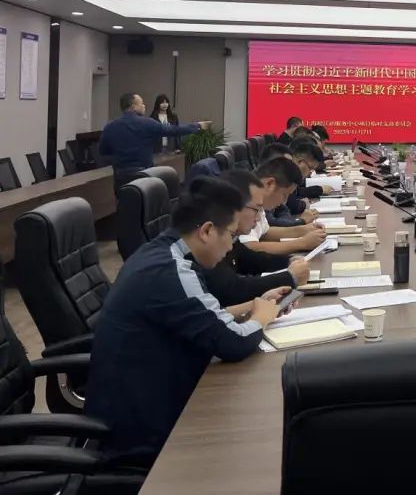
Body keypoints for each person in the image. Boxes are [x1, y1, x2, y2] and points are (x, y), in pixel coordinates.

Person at [85, 177, 289, 463]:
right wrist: (260, 319)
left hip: (150, 398)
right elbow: (234, 343)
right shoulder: (170, 272)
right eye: (231, 235)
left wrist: (254, 306)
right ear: (207, 231)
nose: (231, 247)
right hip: (145, 432)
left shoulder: (163, 252)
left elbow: (202, 314)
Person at [198, 170, 310, 306]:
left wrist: (289, 261)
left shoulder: (229, 235)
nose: (258, 218)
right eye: (256, 209)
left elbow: (251, 259)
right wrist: (289, 277)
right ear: (234, 207)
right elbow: (230, 290)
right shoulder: (208, 239)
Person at [100, 93, 210, 192]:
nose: (144, 106)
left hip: (120, 176)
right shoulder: (147, 123)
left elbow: (103, 152)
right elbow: (172, 130)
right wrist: (197, 125)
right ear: (133, 106)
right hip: (142, 175)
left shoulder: (109, 126)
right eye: (141, 103)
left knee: (124, 203)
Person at [241, 157, 325, 255]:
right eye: (284, 195)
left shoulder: (257, 199)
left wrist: (302, 230)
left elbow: (265, 232)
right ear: (269, 184)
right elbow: (249, 247)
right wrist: (302, 243)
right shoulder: (244, 198)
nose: (284, 202)